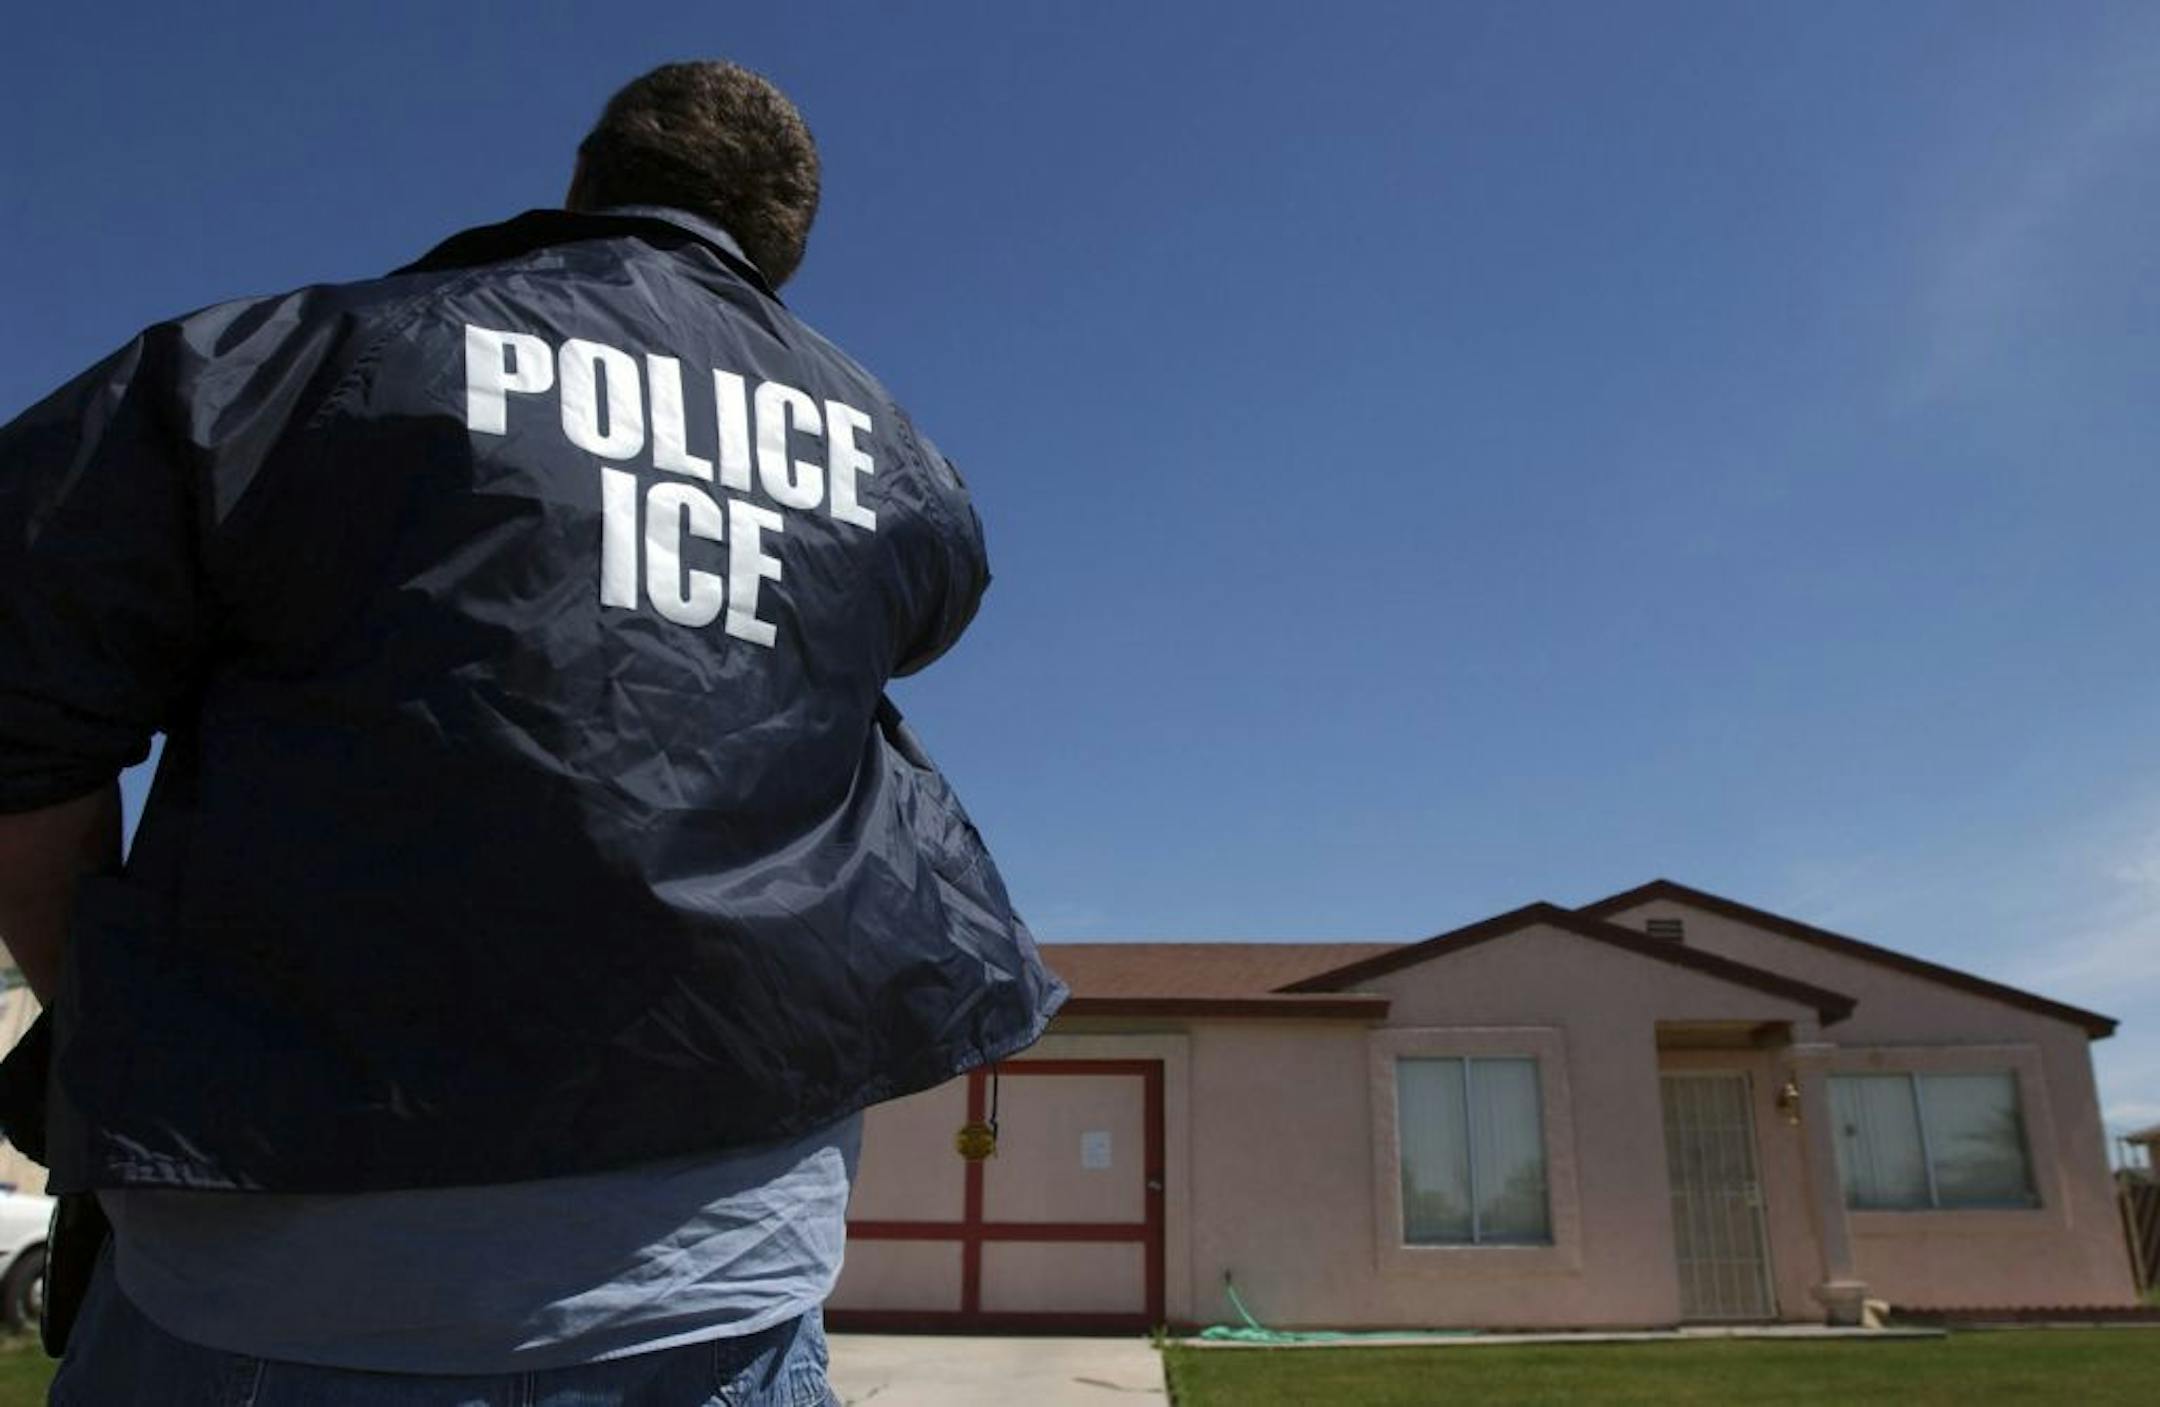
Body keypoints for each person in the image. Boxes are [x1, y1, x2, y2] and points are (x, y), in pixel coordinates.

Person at [0, 59, 1065, 1405]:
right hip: (727, 1296)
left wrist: (105, 1011)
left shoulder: (291, 368)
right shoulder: (895, 465)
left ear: (585, 183)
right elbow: (924, 607)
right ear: (779, 253)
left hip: (271, 1297)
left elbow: (21, 688)